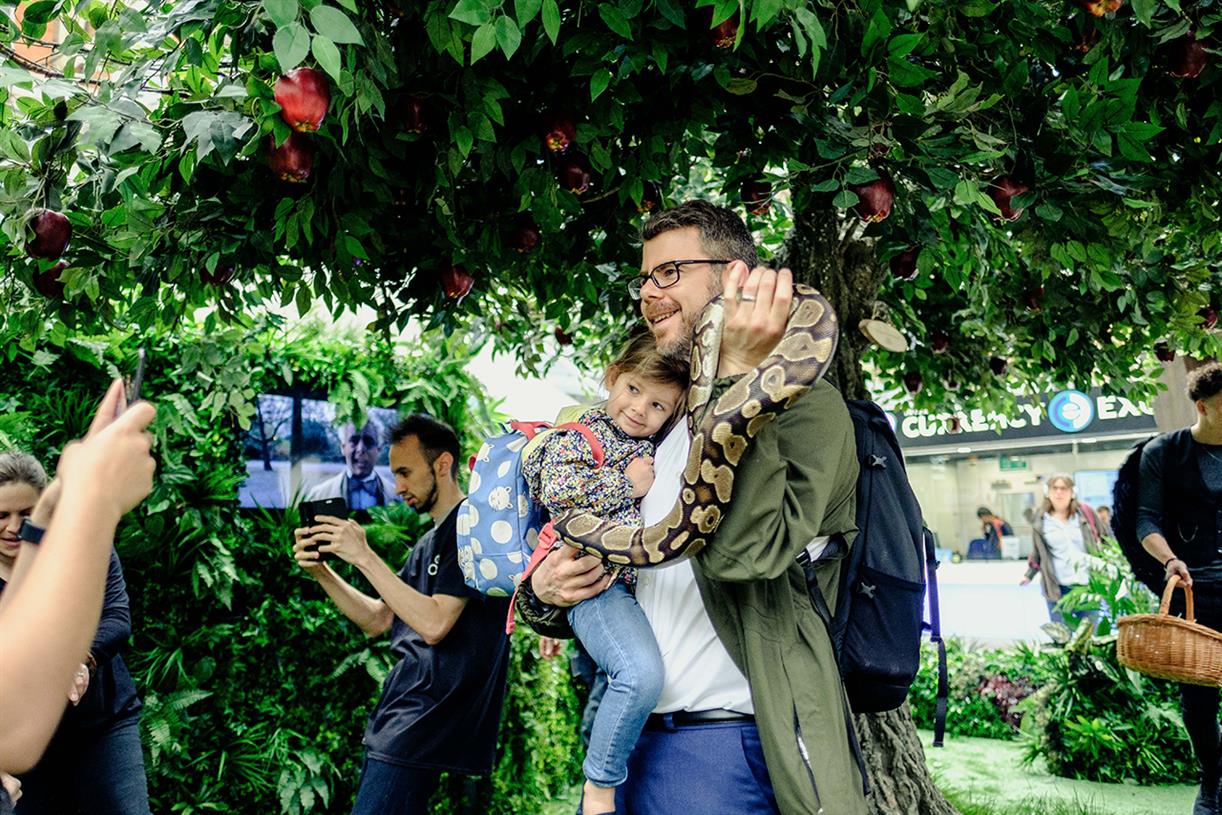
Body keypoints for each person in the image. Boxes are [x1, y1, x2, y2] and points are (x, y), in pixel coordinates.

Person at [517, 200, 868, 814]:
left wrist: (737, 372)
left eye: (669, 273)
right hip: (626, 732)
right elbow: (629, 560)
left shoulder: (813, 411)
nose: (649, 294)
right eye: (644, 279)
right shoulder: (665, 424)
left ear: (736, 276)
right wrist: (545, 594)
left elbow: (743, 556)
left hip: (721, 748)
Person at [293, 414, 512, 815]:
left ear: (442, 464)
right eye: (394, 475)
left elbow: (433, 624)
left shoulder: (469, 528)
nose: (399, 487)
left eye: (406, 473)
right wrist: (320, 573)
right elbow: (379, 619)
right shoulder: (429, 541)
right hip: (403, 720)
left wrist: (363, 555)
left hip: (422, 725)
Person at [520, 332, 687, 815]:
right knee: (637, 675)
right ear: (612, 378)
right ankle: (599, 787)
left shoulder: (651, 443)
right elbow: (559, 495)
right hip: (594, 582)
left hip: (622, 586)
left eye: (658, 405)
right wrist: (627, 483)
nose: (640, 409)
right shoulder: (579, 435)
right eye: (633, 390)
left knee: (629, 678)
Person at [0, 379, 155, 777]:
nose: (14, 528)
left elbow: (116, 617)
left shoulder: (62, 542)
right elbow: (12, 736)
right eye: (2, 516)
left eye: (26, 514)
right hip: (40, 744)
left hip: (103, 719)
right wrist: (99, 500)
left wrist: (75, 499)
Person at [1135, 362, 1222, 815]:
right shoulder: (1164, 453)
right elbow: (1146, 519)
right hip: (1196, 591)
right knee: (1199, 701)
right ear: (1203, 406)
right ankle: (1211, 781)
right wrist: (1170, 559)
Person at [1019, 474, 1102, 625]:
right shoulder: (1041, 519)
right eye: (1054, 488)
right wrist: (1029, 575)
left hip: (1088, 585)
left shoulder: (1085, 513)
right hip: (1057, 587)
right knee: (1062, 638)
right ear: (1047, 492)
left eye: (1064, 488)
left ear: (1072, 492)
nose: (1059, 493)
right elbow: (1037, 552)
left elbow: (1106, 539)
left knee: (1091, 637)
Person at [304, 416, 398, 511]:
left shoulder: (398, 497)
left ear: (379, 450)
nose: (360, 449)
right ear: (343, 447)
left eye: (368, 441)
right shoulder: (318, 496)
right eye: (354, 441)